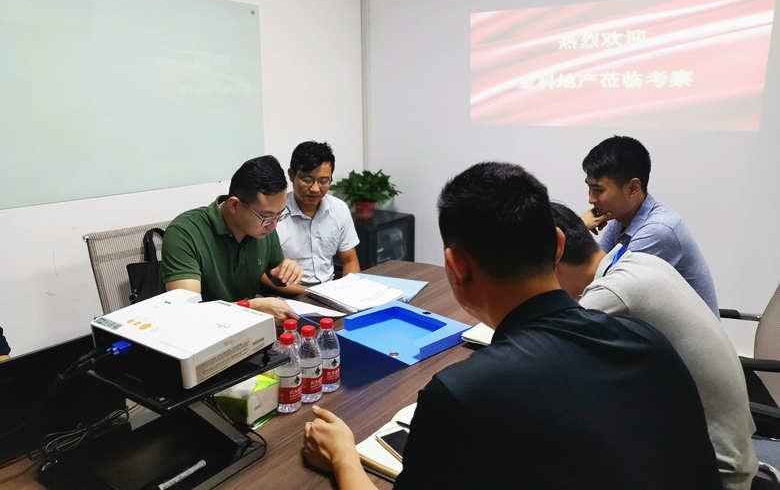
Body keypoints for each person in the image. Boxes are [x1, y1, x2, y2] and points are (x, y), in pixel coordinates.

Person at [302, 161, 722, 490]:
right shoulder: (648, 342)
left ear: (455, 266)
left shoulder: (460, 395)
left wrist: (343, 456)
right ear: (559, 245)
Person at [552, 201, 757, 490]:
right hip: (729, 449)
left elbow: (544, 357)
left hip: (714, 472)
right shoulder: (638, 261)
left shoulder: (613, 292)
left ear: (555, 256)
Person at [580, 135, 719, 316]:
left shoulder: (659, 229)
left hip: (678, 335)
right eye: (589, 188)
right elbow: (589, 275)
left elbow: (606, 294)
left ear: (633, 188)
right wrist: (580, 228)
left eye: (598, 190)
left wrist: (577, 231)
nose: (591, 199)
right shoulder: (620, 222)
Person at [160, 155, 303, 327]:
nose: (273, 225)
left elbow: (275, 275)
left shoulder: (263, 229)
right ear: (234, 205)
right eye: (267, 217)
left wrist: (285, 273)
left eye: (279, 215)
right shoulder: (185, 233)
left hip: (247, 328)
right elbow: (186, 311)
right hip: (200, 332)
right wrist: (250, 307)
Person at [267, 141, 359, 295]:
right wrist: (315, 294)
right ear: (291, 175)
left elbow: (350, 260)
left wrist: (349, 292)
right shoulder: (273, 215)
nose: (315, 189)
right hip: (287, 296)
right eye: (307, 180)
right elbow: (262, 275)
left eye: (323, 181)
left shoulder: (339, 209)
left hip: (330, 292)